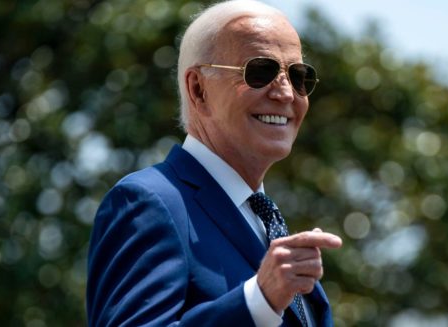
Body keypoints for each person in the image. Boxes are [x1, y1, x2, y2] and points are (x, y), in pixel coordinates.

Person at [86, 0, 343, 326]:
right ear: (198, 89)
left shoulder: (265, 221)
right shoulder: (149, 202)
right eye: (260, 71)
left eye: (298, 75)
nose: (286, 93)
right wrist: (257, 301)